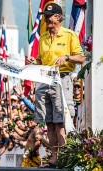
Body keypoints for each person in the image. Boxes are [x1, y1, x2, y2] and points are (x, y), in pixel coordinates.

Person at [27, 3, 85, 167]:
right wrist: (34, 61)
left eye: (49, 16)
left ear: (58, 17)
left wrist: (66, 57)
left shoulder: (69, 35)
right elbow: (41, 60)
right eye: (45, 15)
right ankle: (54, 158)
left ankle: (65, 157)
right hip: (45, 79)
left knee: (62, 122)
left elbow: (80, 58)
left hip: (62, 79)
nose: (46, 18)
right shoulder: (44, 37)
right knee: (50, 122)